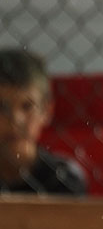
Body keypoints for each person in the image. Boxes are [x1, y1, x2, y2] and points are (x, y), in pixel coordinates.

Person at [0, 48, 87, 195]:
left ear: (46, 111)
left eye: (27, 106)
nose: (15, 120)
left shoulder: (63, 178)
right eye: (2, 107)